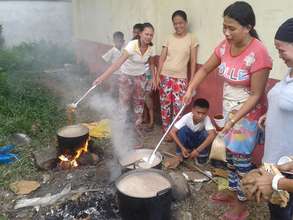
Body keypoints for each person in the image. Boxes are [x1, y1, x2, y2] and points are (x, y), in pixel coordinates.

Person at [183, 2, 272, 219]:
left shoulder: (258, 53)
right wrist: (191, 88)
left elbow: (255, 95)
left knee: (240, 161)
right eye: (224, 27)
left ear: (248, 27)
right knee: (229, 157)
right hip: (229, 113)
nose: (226, 32)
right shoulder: (224, 46)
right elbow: (205, 68)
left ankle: (241, 207)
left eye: (231, 28)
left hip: (246, 118)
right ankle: (233, 192)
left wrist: (234, 121)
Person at [242, 18, 293, 220]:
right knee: (277, 212)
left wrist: (275, 182)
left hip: (286, 169)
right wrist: (269, 116)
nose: (279, 55)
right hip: (276, 162)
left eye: (282, 50)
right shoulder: (290, 73)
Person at [93, 23, 156, 129]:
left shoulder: (151, 48)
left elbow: (152, 64)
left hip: (140, 77)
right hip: (126, 76)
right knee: (123, 104)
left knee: (139, 105)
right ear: (140, 34)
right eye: (146, 34)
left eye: (151, 35)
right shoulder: (132, 45)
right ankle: (120, 130)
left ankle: (137, 129)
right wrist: (102, 77)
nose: (149, 37)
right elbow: (117, 64)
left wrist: (152, 78)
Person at [156, 10, 198, 141]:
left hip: (181, 79)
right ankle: (166, 132)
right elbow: (162, 58)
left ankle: (174, 131)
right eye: (175, 23)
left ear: (185, 23)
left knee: (179, 108)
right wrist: (157, 75)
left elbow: (193, 62)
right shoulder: (169, 38)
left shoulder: (192, 38)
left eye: (180, 23)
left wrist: (192, 81)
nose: (178, 26)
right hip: (165, 76)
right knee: (165, 106)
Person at [170, 98, 216, 164]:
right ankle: (182, 151)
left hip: (198, 142)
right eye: (198, 112)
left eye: (204, 113)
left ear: (207, 112)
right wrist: (182, 147)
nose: (200, 116)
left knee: (207, 133)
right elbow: (172, 132)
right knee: (182, 130)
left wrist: (197, 150)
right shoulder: (186, 117)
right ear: (193, 110)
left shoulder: (206, 119)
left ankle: (201, 153)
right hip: (188, 141)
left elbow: (212, 135)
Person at [101, 31, 125, 98]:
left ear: (123, 41)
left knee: (122, 90)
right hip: (114, 74)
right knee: (113, 88)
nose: (118, 43)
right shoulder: (112, 51)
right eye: (117, 41)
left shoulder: (125, 50)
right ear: (114, 41)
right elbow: (104, 59)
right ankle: (110, 100)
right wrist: (108, 68)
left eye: (120, 41)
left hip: (123, 74)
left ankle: (120, 103)